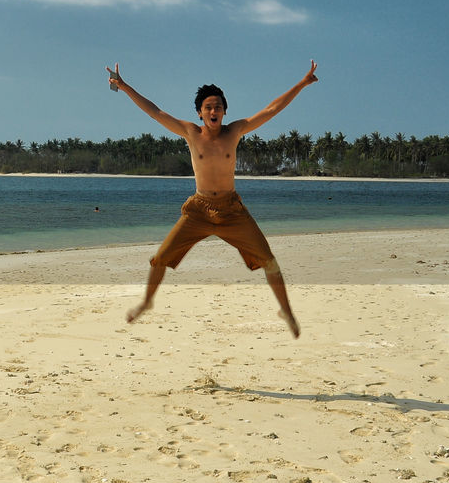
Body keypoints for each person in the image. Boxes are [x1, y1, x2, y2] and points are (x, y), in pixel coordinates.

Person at [108, 60, 320, 336]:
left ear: (224, 111)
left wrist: (302, 84)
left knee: (269, 260)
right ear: (199, 113)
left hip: (232, 211)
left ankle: (287, 311)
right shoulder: (190, 132)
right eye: (208, 107)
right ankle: (147, 302)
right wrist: (124, 86)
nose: (213, 110)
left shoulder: (235, 131)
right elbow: (155, 111)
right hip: (198, 210)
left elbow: (272, 109)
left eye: (218, 106)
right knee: (160, 258)